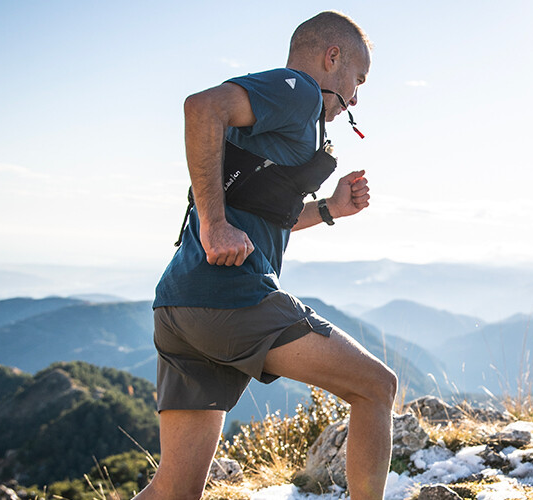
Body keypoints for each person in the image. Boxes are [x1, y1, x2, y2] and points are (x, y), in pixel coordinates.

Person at [134, 11, 397, 500]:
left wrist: (330, 209)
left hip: (180, 303)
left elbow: (263, 211)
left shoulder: (277, 119)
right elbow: (200, 108)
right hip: (231, 295)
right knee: (376, 387)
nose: (357, 97)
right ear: (331, 56)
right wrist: (213, 225)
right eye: (357, 80)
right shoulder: (296, 90)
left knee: (174, 489)